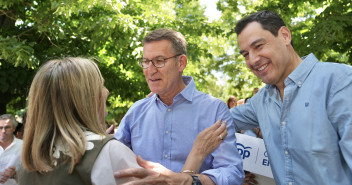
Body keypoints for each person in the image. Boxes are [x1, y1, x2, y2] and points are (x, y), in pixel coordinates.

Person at [230, 10, 352, 184]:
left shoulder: (340, 82)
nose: (253, 59)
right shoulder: (260, 101)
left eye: (258, 46)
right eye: (245, 54)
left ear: (285, 36)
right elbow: (217, 120)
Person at [115, 28, 244, 184]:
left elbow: (232, 174)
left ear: (181, 63)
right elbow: (114, 163)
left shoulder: (214, 110)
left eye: (159, 61)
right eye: (146, 62)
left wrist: (190, 181)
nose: (150, 70)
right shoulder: (136, 112)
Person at [17, 57, 140, 185]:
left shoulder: (30, 161)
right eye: (100, 86)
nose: (106, 92)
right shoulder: (109, 151)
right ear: (84, 99)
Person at [0, 114, 22, 185]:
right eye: (0, 127)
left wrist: (15, 174)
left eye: (7, 127)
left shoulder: (23, 146)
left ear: (14, 128)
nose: (3, 131)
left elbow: (31, 171)